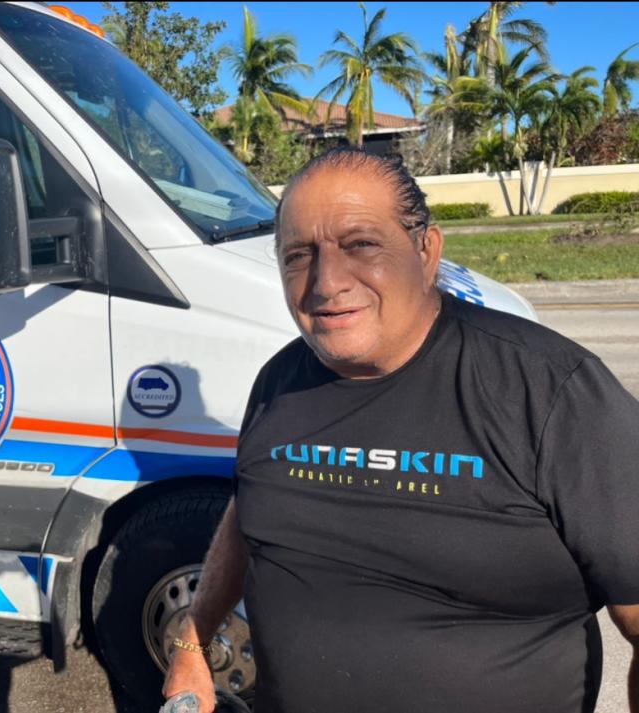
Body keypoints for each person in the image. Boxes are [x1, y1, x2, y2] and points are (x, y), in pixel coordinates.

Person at [162, 148, 639, 713]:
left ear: (426, 250)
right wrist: (192, 643)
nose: (327, 282)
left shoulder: (548, 391)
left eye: (360, 244)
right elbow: (252, 513)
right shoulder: (278, 384)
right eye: (299, 255)